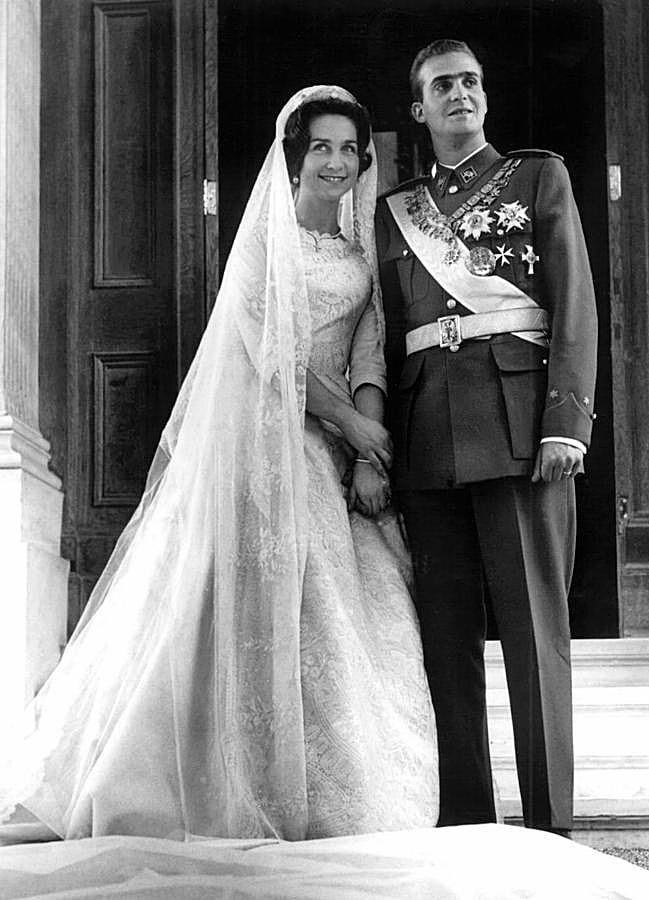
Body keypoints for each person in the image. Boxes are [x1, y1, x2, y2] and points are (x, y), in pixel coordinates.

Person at [0, 85, 438, 841]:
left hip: (344, 445)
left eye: (348, 149)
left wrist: (371, 443)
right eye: (321, 147)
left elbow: (369, 348)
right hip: (272, 438)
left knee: (359, 603)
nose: (335, 162)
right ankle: (206, 778)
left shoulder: (361, 251)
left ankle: (345, 789)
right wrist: (347, 428)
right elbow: (272, 355)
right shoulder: (265, 246)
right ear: (295, 158)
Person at [375, 40, 598, 835]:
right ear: (419, 109)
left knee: (536, 641)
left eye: (471, 81)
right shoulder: (394, 210)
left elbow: (573, 303)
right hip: (426, 440)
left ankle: (548, 827)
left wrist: (566, 422)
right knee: (445, 645)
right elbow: (387, 328)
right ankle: (466, 822)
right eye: (443, 85)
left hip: (519, 433)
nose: (460, 93)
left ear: (485, 97)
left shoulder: (539, 177)